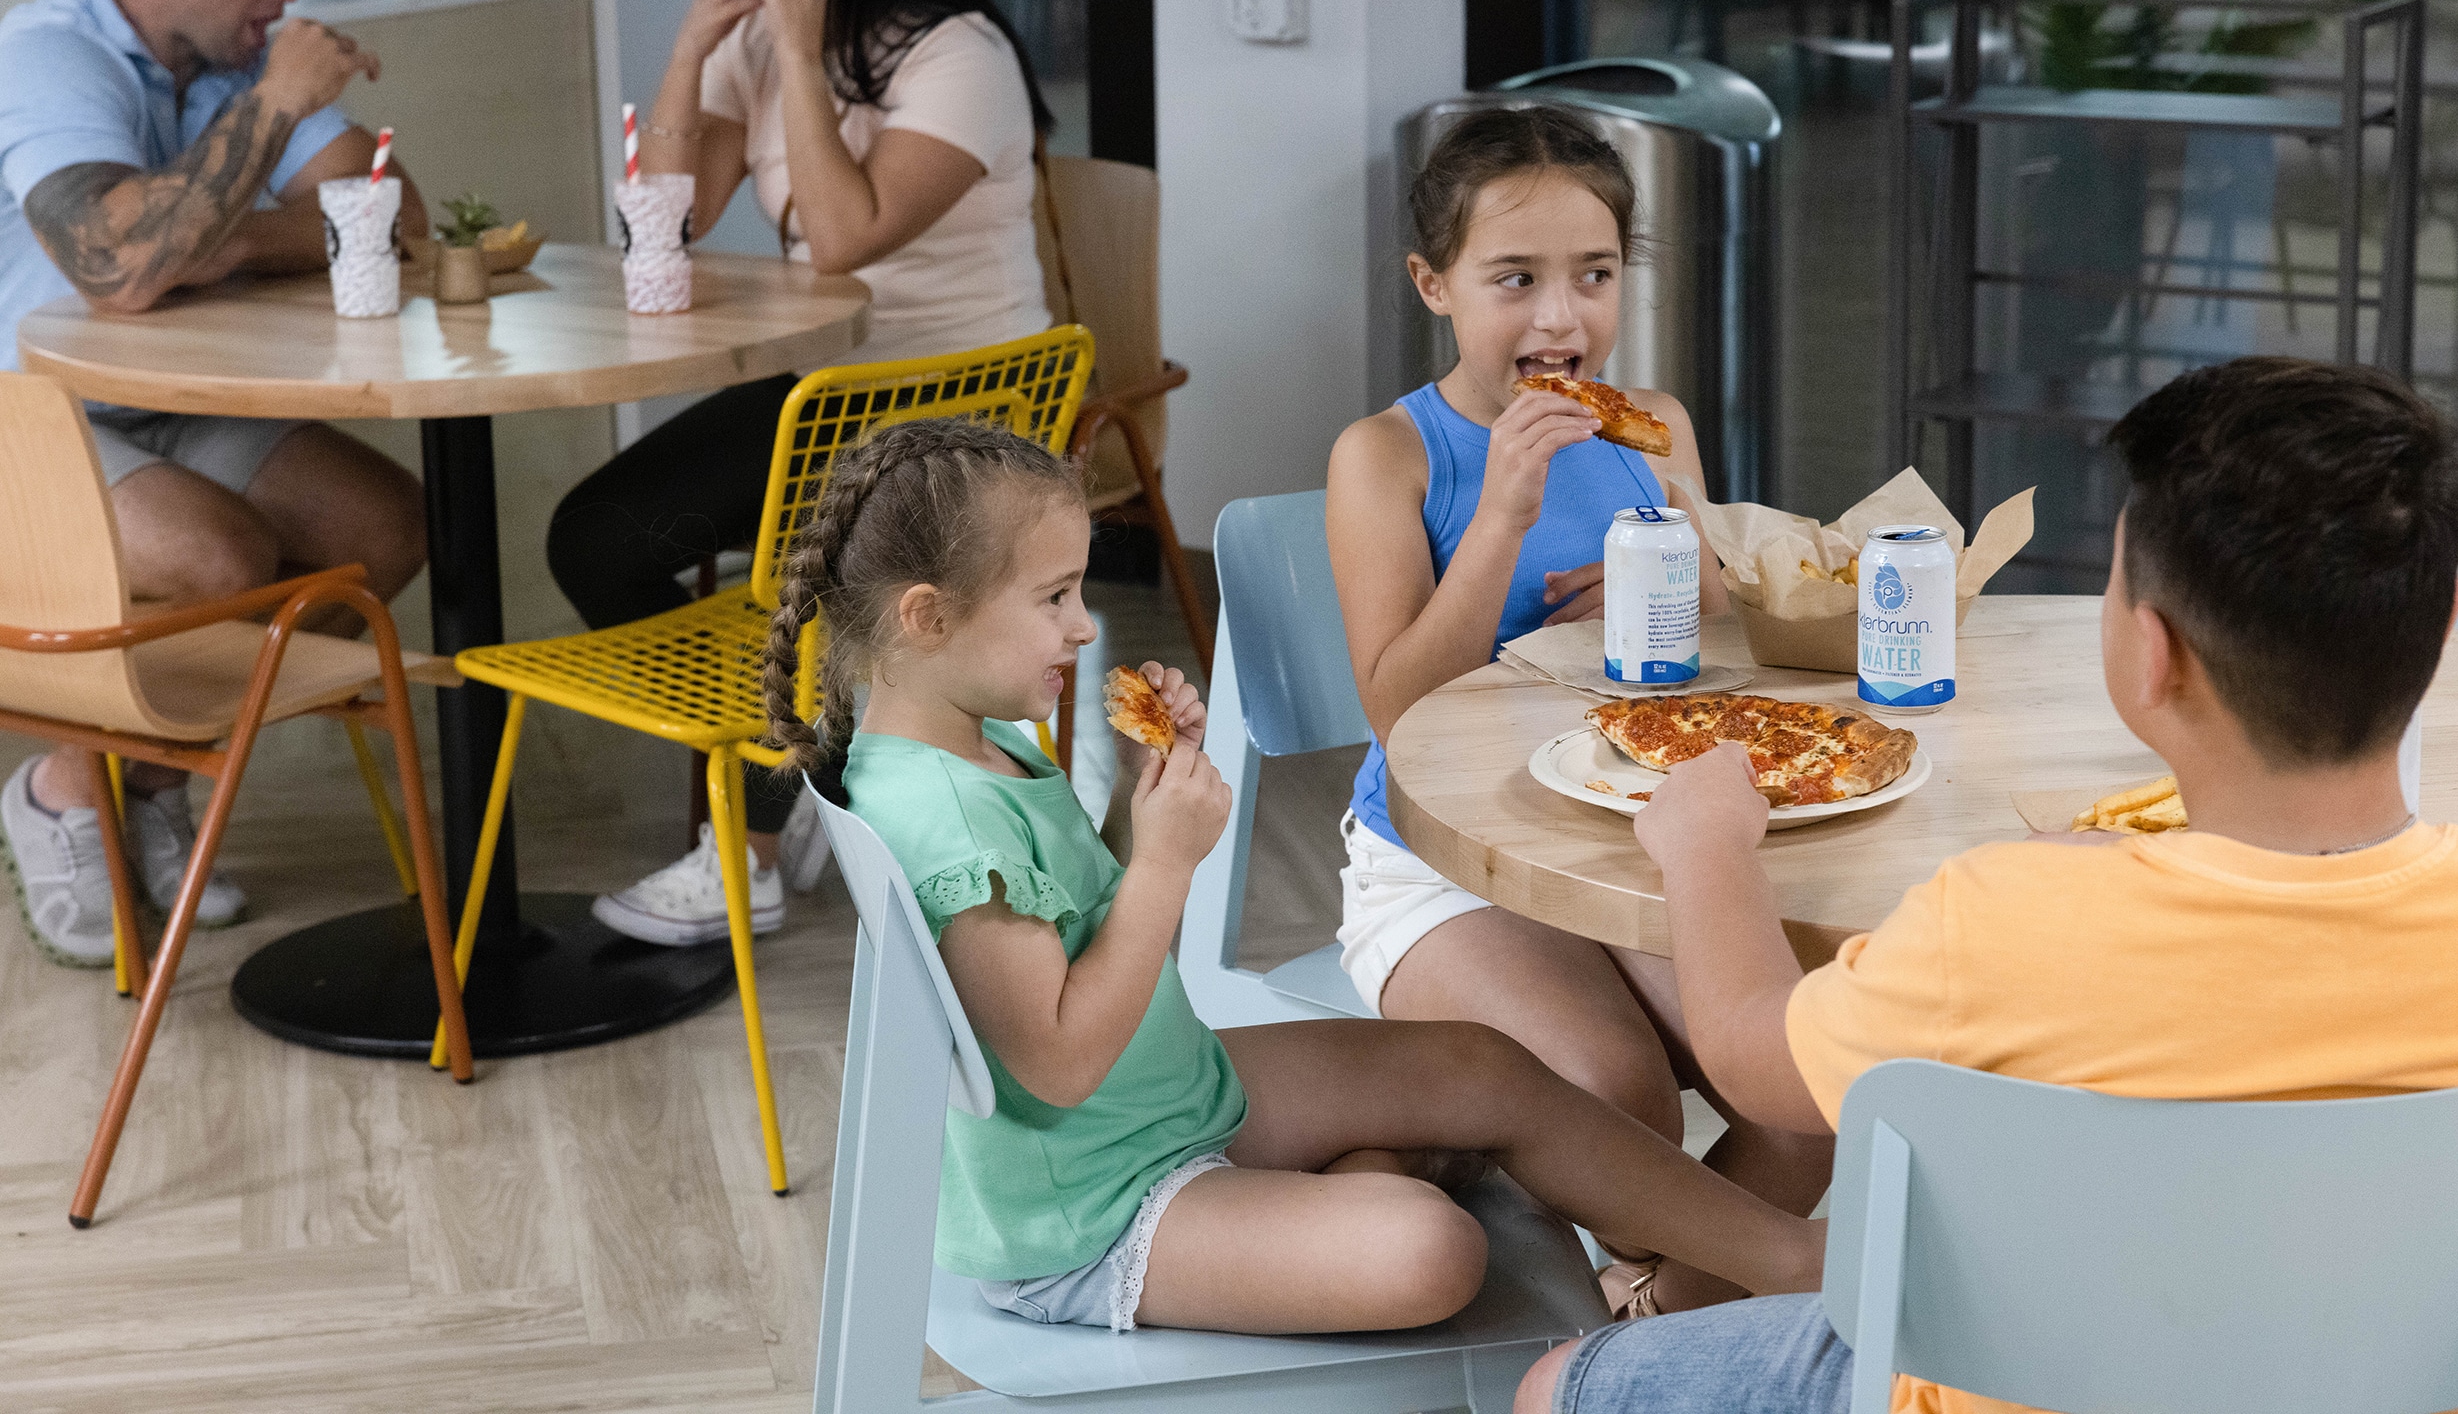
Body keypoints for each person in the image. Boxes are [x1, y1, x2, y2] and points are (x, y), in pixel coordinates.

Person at [1520, 355, 2458, 1414]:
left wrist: (1707, 847)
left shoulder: (2007, 917)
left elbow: (1751, 1053)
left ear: (2151, 655)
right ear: (2441, 629)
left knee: (1563, 1381)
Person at [762, 417, 1825, 1334]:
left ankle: (1781, 1256)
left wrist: (1145, 799)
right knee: (1430, 1252)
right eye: (1052, 597)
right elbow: (1056, 1060)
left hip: (1160, 1099)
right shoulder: (946, 819)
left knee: (1479, 1067)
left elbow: (1074, 933)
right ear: (925, 616)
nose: (1083, 625)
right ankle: (1369, 1189)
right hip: (1096, 1207)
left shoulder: (961, 747)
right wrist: (1167, 862)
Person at [1325, 105, 1830, 1315]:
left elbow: (1719, 656)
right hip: (1445, 856)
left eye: (1592, 276)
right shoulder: (1387, 456)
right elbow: (1397, 709)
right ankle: (1664, 1299)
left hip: (1629, 829)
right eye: (1516, 279)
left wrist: (1688, 591)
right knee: (1617, 1093)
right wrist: (1500, 515)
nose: (1561, 319)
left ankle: (1652, 1319)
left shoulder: (1653, 429)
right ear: (1432, 283)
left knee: (1808, 1072)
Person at [552, 0, 1055, 948]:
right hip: (828, 392)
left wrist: (793, 48)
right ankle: (811, 769)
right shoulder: (773, 47)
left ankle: (756, 848)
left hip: (964, 401)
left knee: (797, 581)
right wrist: (689, 49)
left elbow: (841, 235)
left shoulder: (957, 52)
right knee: (596, 538)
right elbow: (665, 225)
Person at [0, 0, 430, 969]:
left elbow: (397, 218)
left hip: (153, 395)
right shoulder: (47, 55)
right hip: (23, 417)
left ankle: (141, 779)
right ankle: (55, 790)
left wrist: (222, 244)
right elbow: (120, 264)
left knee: (378, 530)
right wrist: (277, 110)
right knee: (219, 560)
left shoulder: (232, 58)